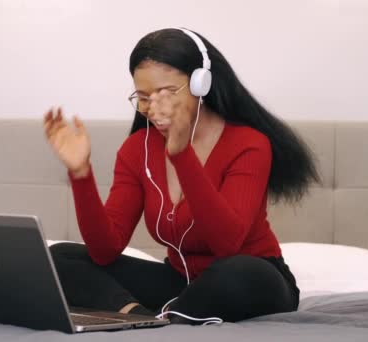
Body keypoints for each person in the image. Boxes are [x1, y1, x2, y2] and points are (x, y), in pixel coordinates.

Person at [43, 27, 319, 324]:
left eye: (167, 92)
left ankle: (170, 316)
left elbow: (226, 244)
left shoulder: (249, 144)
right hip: (182, 282)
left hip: (251, 277)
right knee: (59, 259)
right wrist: (80, 173)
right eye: (144, 97)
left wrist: (181, 154)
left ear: (202, 84)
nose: (154, 107)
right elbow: (104, 250)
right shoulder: (138, 148)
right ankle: (147, 320)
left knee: (237, 272)